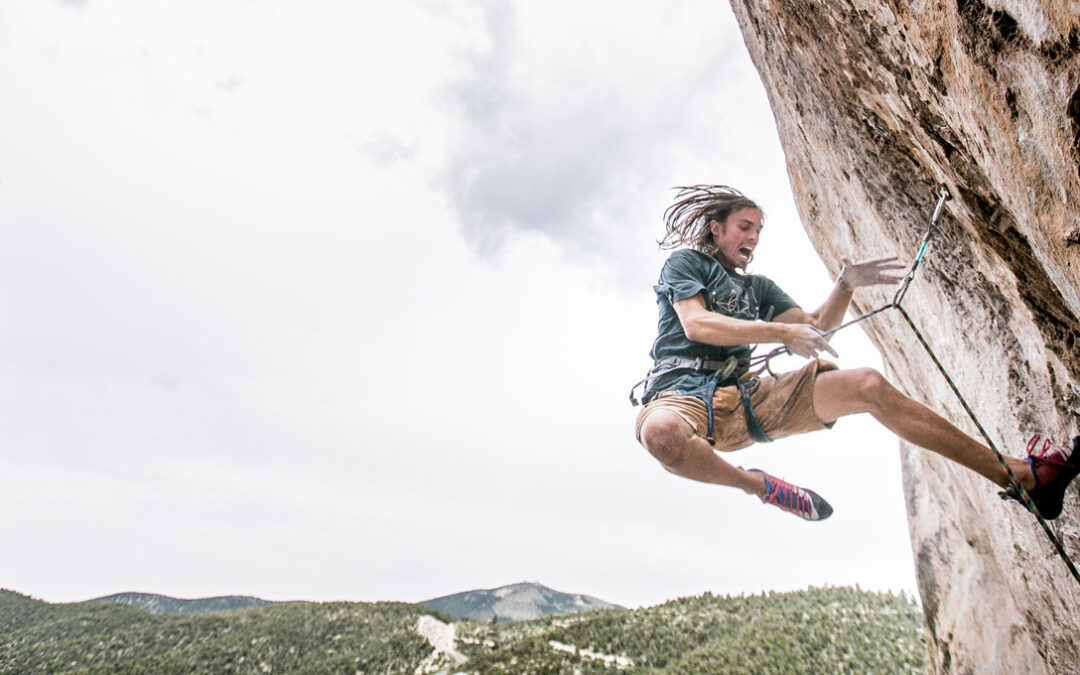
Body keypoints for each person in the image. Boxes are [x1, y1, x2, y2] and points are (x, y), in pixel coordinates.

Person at [633, 184, 1080, 521]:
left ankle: (1022, 478)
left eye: (759, 230)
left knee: (868, 384)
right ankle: (759, 486)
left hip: (745, 398)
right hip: (680, 394)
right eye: (745, 227)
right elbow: (697, 323)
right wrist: (777, 333)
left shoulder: (759, 288)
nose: (753, 237)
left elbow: (816, 326)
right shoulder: (687, 264)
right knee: (662, 436)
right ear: (717, 229)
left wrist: (844, 286)